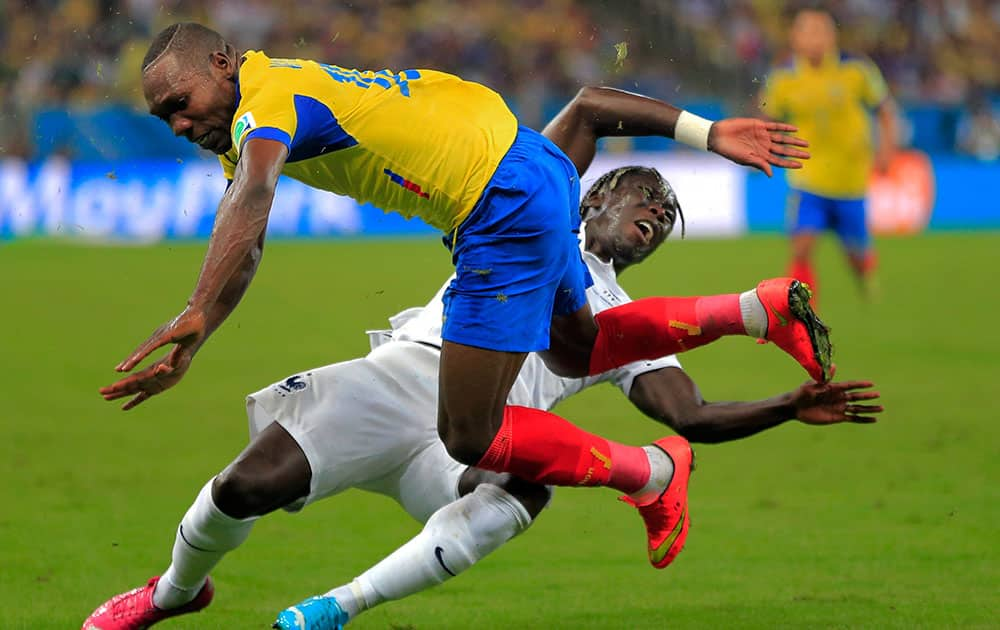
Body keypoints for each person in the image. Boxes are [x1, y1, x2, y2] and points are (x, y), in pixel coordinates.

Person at [99, 21, 826, 623]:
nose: (180, 123)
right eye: (166, 117)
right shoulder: (260, 107)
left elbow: (256, 193)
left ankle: (648, 469)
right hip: (525, 169)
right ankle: (753, 313)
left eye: (182, 103)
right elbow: (248, 231)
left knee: (472, 434)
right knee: (578, 351)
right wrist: (204, 329)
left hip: (496, 204)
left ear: (223, 63)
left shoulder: (269, 98)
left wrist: (194, 307)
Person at [761, 8, 897, 302]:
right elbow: (768, 121)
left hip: (850, 180)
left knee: (856, 256)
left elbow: (885, 110)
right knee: (802, 246)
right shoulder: (783, 77)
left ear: (832, 36)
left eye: (820, 31)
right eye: (806, 31)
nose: (814, 39)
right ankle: (803, 309)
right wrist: (768, 147)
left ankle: (865, 275)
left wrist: (887, 149)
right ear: (794, 38)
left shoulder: (856, 69)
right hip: (807, 177)